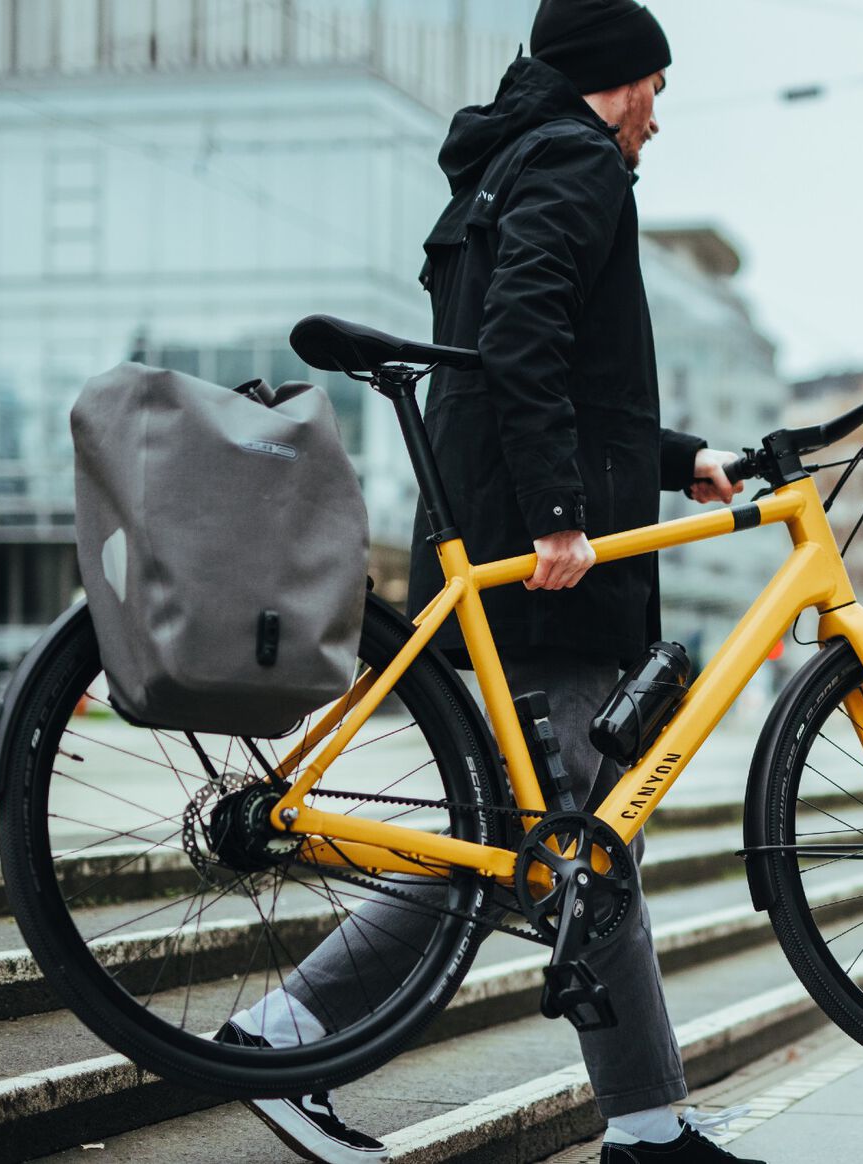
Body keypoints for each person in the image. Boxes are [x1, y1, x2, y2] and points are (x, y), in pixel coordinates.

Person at [217, 3, 765, 1161]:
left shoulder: (505, 165)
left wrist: (681, 461)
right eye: (654, 91)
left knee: (562, 840)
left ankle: (645, 1121)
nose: (656, 121)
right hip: (537, 567)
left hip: (503, 538)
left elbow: (555, 375)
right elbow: (521, 342)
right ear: (615, 81)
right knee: (560, 837)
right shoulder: (574, 160)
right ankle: (291, 1029)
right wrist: (565, 519)